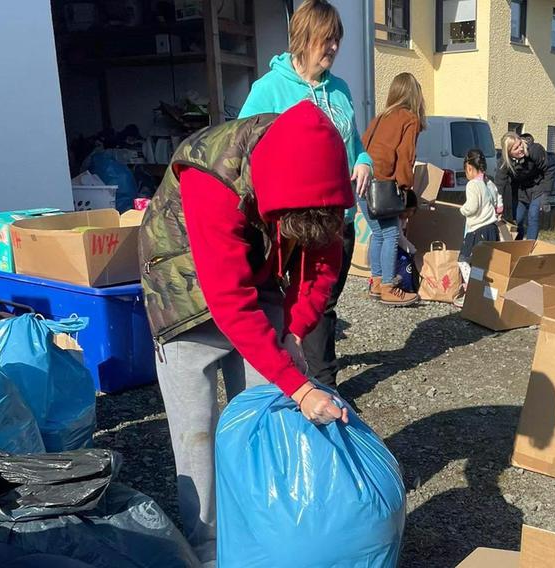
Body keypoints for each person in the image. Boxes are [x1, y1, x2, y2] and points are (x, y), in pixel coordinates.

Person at [138, 101, 352, 565]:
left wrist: (295, 333)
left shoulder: (320, 179)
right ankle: (208, 548)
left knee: (267, 411)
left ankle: (265, 527)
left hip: (252, 267)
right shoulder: (209, 179)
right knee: (197, 432)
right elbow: (230, 302)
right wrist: (299, 386)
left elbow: (322, 265)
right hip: (181, 281)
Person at [238, 0, 372, 386]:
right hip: (296, 220)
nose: (332, 47)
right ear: (302, 38)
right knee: (314, 303)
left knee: (324, 300)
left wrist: (363, 161)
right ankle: (320, 384)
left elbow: (355, 144)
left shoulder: (341, 90)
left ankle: (306, 374)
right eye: (325, 39)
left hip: (340, 217)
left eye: (336, 40)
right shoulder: (269, 89)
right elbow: (242, 149)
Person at [360, 72, 426, 306]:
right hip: (383, 184)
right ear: (414, 94)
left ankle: (377, 283)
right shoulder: (409, 119)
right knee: (389, 233)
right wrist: (405, 188)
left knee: (378, 233)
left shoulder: (379, 117)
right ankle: (388, 286)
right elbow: (405, 157)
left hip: (360, 180)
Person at [455, 149, 503, 308]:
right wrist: (498, 210)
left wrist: (463, 210)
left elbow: (472, 207)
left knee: (463, 260)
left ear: (469, 167)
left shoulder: (473, 185)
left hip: (477, 229)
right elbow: (498, 200)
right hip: (492, 229)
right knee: (485, 265)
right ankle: (484, 296)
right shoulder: (489, 182)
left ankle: (471, 292)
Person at [494, 131, 554, 241]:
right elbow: (500, 183)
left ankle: (529, 247)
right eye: (516, 148)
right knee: (518, 218)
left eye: (520, 144)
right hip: (520, 189)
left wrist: (546, 196)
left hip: (538, 186)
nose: (520, 149)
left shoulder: (535, 150)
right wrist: (498, 204)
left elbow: (549, 170)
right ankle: (517, 243)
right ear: (509, 153)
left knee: (533, 216)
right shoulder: (504, 162)